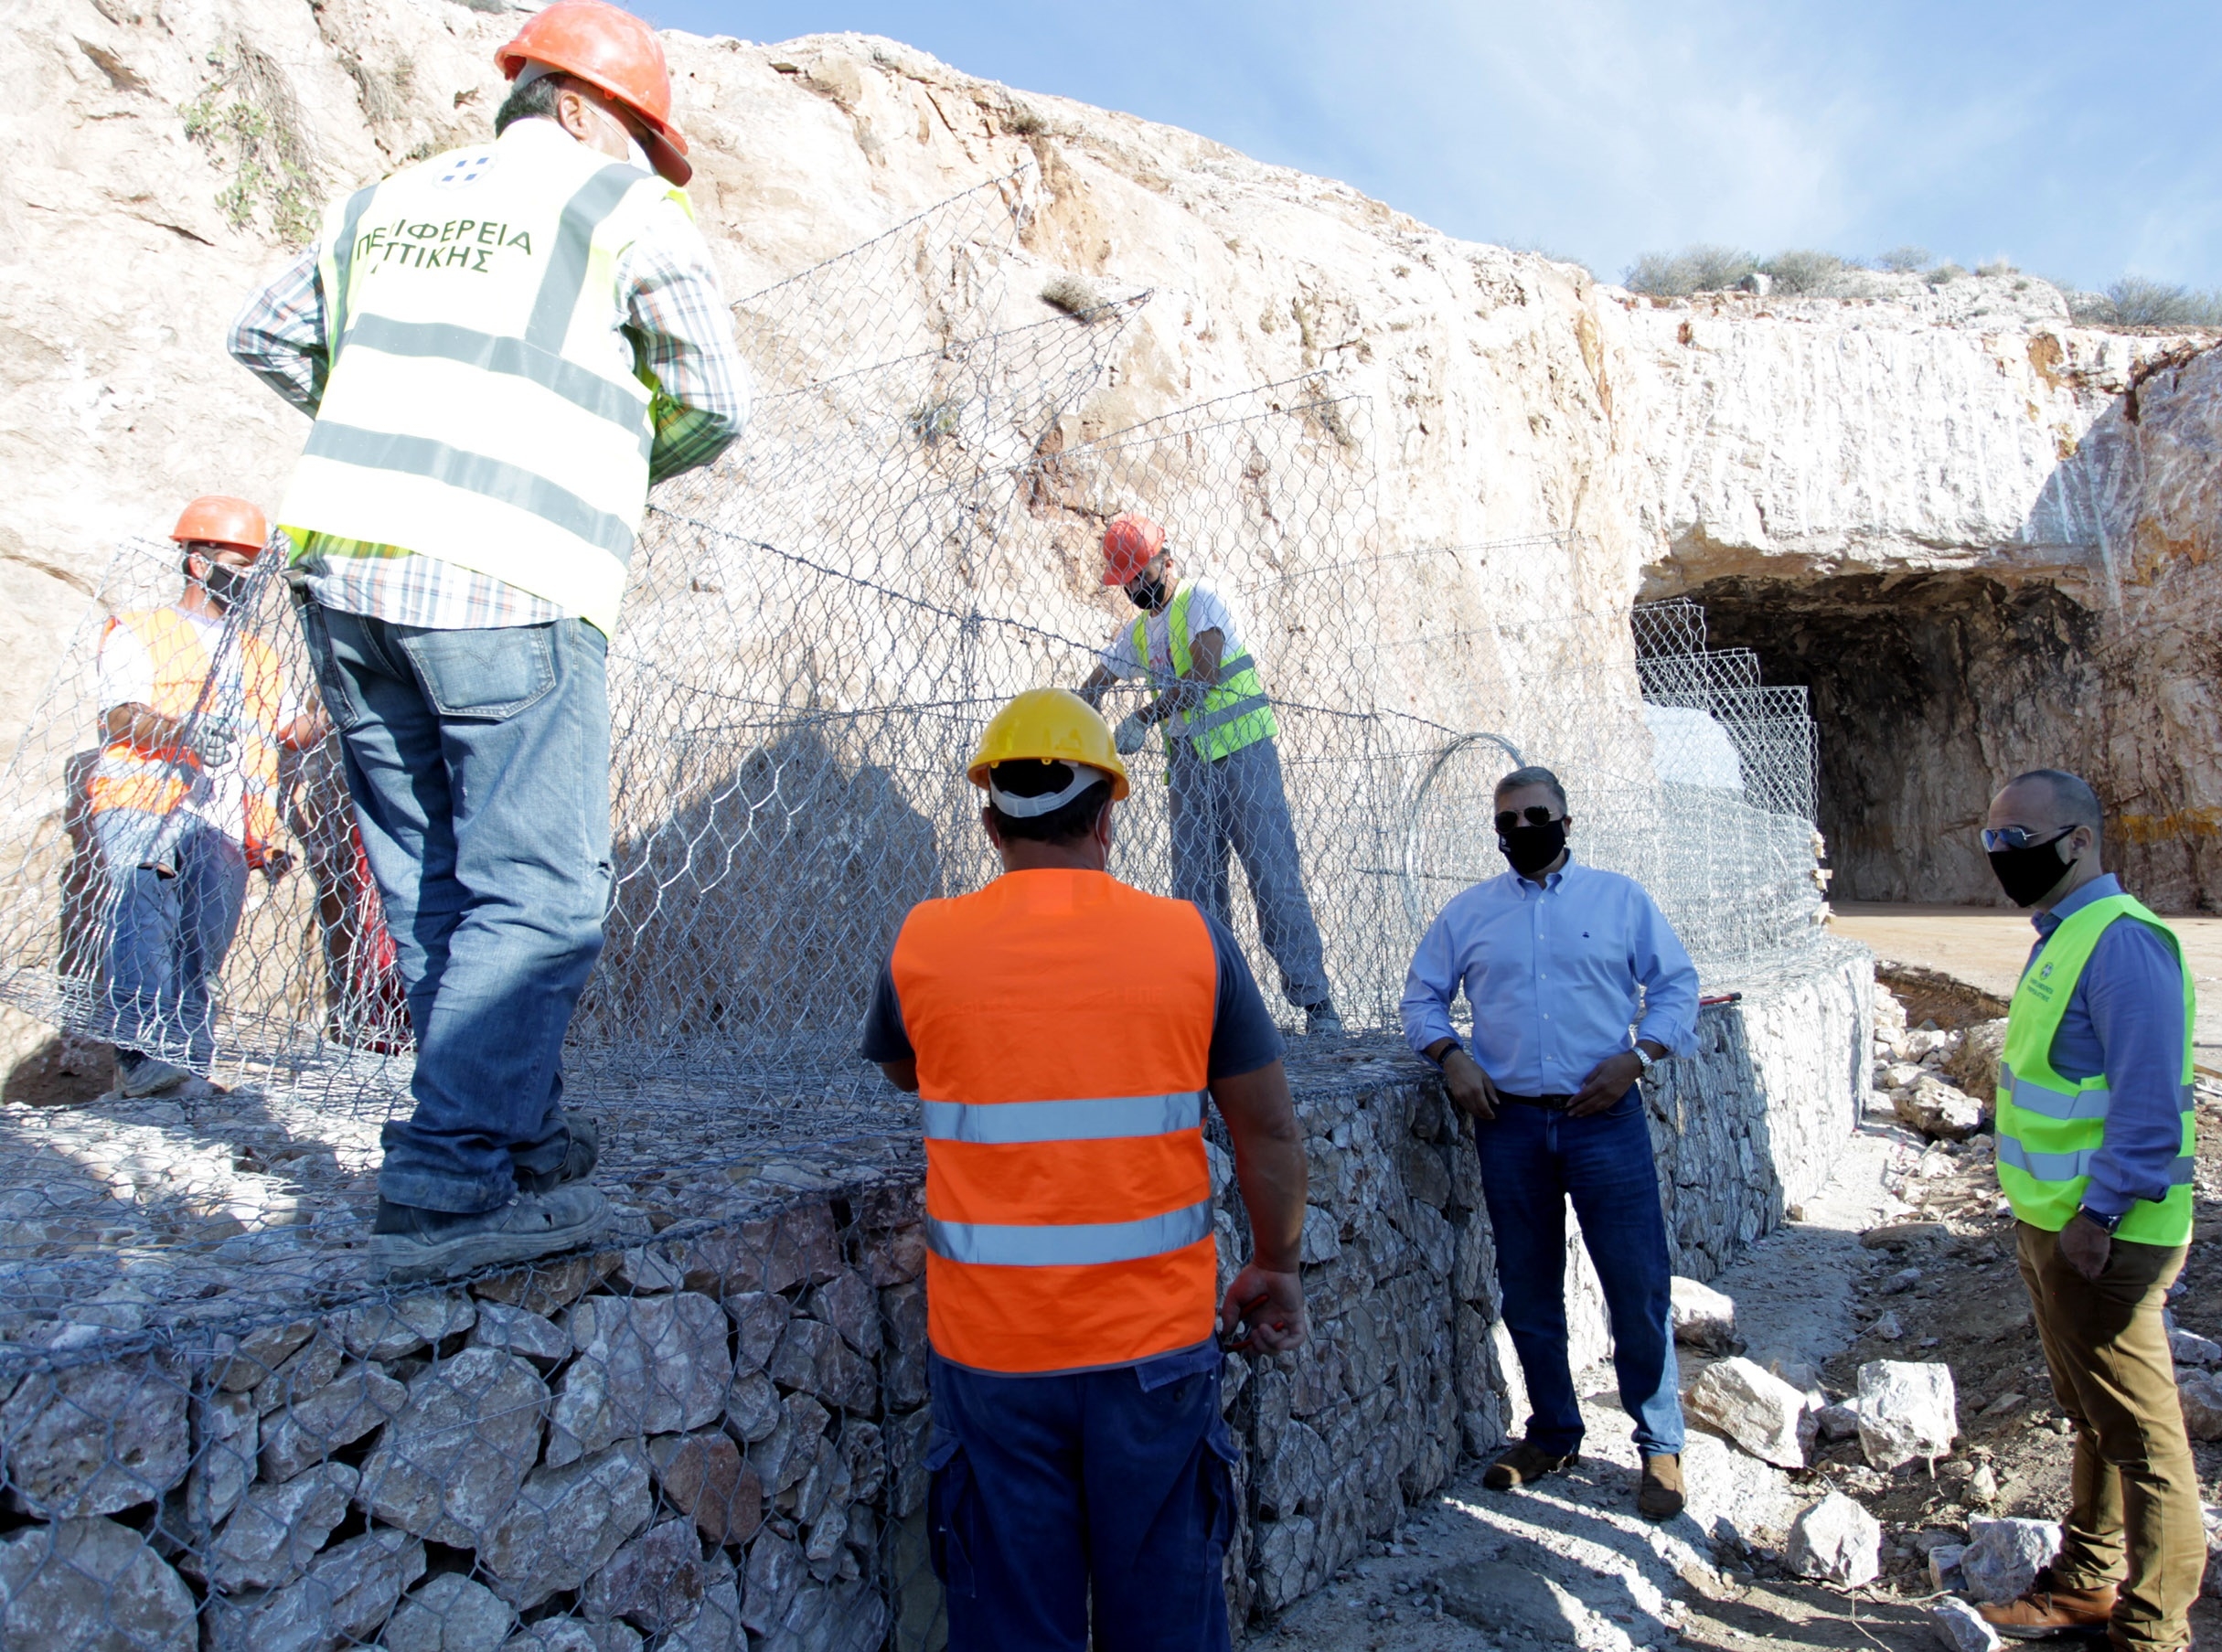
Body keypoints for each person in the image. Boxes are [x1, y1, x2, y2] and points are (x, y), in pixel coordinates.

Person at [227, 0, 751, 1282]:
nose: (641, 159)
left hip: (346, 568)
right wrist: (611, 465)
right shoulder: (614, 210)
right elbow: (713, 399)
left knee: (429, 875)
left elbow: (266, 333)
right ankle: (452, 1155)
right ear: (579, 105)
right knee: (544, 885)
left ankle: (511, 1124)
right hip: (514, 569)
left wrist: (388, 425)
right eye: (639, 133)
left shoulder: (379, 202)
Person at [861, 687, 1308, 1651]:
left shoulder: (923, 943)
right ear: (1109, 813)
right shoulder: (1192, 942)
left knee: (1016, 1622)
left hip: (992, 1359)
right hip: (1153, 1353)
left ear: (988, 819)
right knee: (1167, 1618)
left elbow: (907, 1064)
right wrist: (1275, 1262)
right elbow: (1267, 1129)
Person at [1400, 765, 1701, 1519]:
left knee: (1635, 1283)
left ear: (1566, 821)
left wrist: (1639, 1056)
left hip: (1604, 1118)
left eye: (1537, 815)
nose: (1522, 829)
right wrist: (1450, 1055)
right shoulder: (1468, 914)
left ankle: (1659, 1444)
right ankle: (1553, 1432)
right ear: (1495, 831)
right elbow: (1420, 996)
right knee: (1528, 1290)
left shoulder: (1621, 900)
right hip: (1509, 1124)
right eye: (1507, 820)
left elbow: (1676, 985)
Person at [1976, 769, 2202, 1652]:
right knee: (2093, 1415)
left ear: (2077, 841)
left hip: (2105, 1236)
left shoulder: (2121, 945)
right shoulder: (2061, 935)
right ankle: (2084, 1581)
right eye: (1991, 840)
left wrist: (2096, 1216)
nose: (2000, 856)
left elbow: (2148, 1111)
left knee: (2143, 1438)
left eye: (2016, 840)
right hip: (2054, 1223)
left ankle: (2151, 1627)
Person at [88, 496, 320, 1096]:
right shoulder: (143, 629)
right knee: (146, 921)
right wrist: (183, 731)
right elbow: (120, 715)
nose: (249, 579)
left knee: (204, 951)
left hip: (224, 826)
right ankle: (141, 1059)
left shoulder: (260, 654)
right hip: (150, 805)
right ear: (198, 564)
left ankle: (185, 1069)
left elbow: (294, 731)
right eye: (237, 563)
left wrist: (338, 695)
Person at [1076, 512, 1341, 1035]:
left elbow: (1205, 671)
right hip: (1190, 768)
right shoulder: (1139, 632)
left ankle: (1316, 1004)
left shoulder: (1202, 600)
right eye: (1124, 580)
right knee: (1196, 889)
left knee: (1271, 874)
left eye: (1139, 574)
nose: (1133, 587)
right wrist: (1078, 712)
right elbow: (1099, 676)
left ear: (1165, 561)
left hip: (1243, 754)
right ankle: (1213, 1006)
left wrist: (1146, 716)